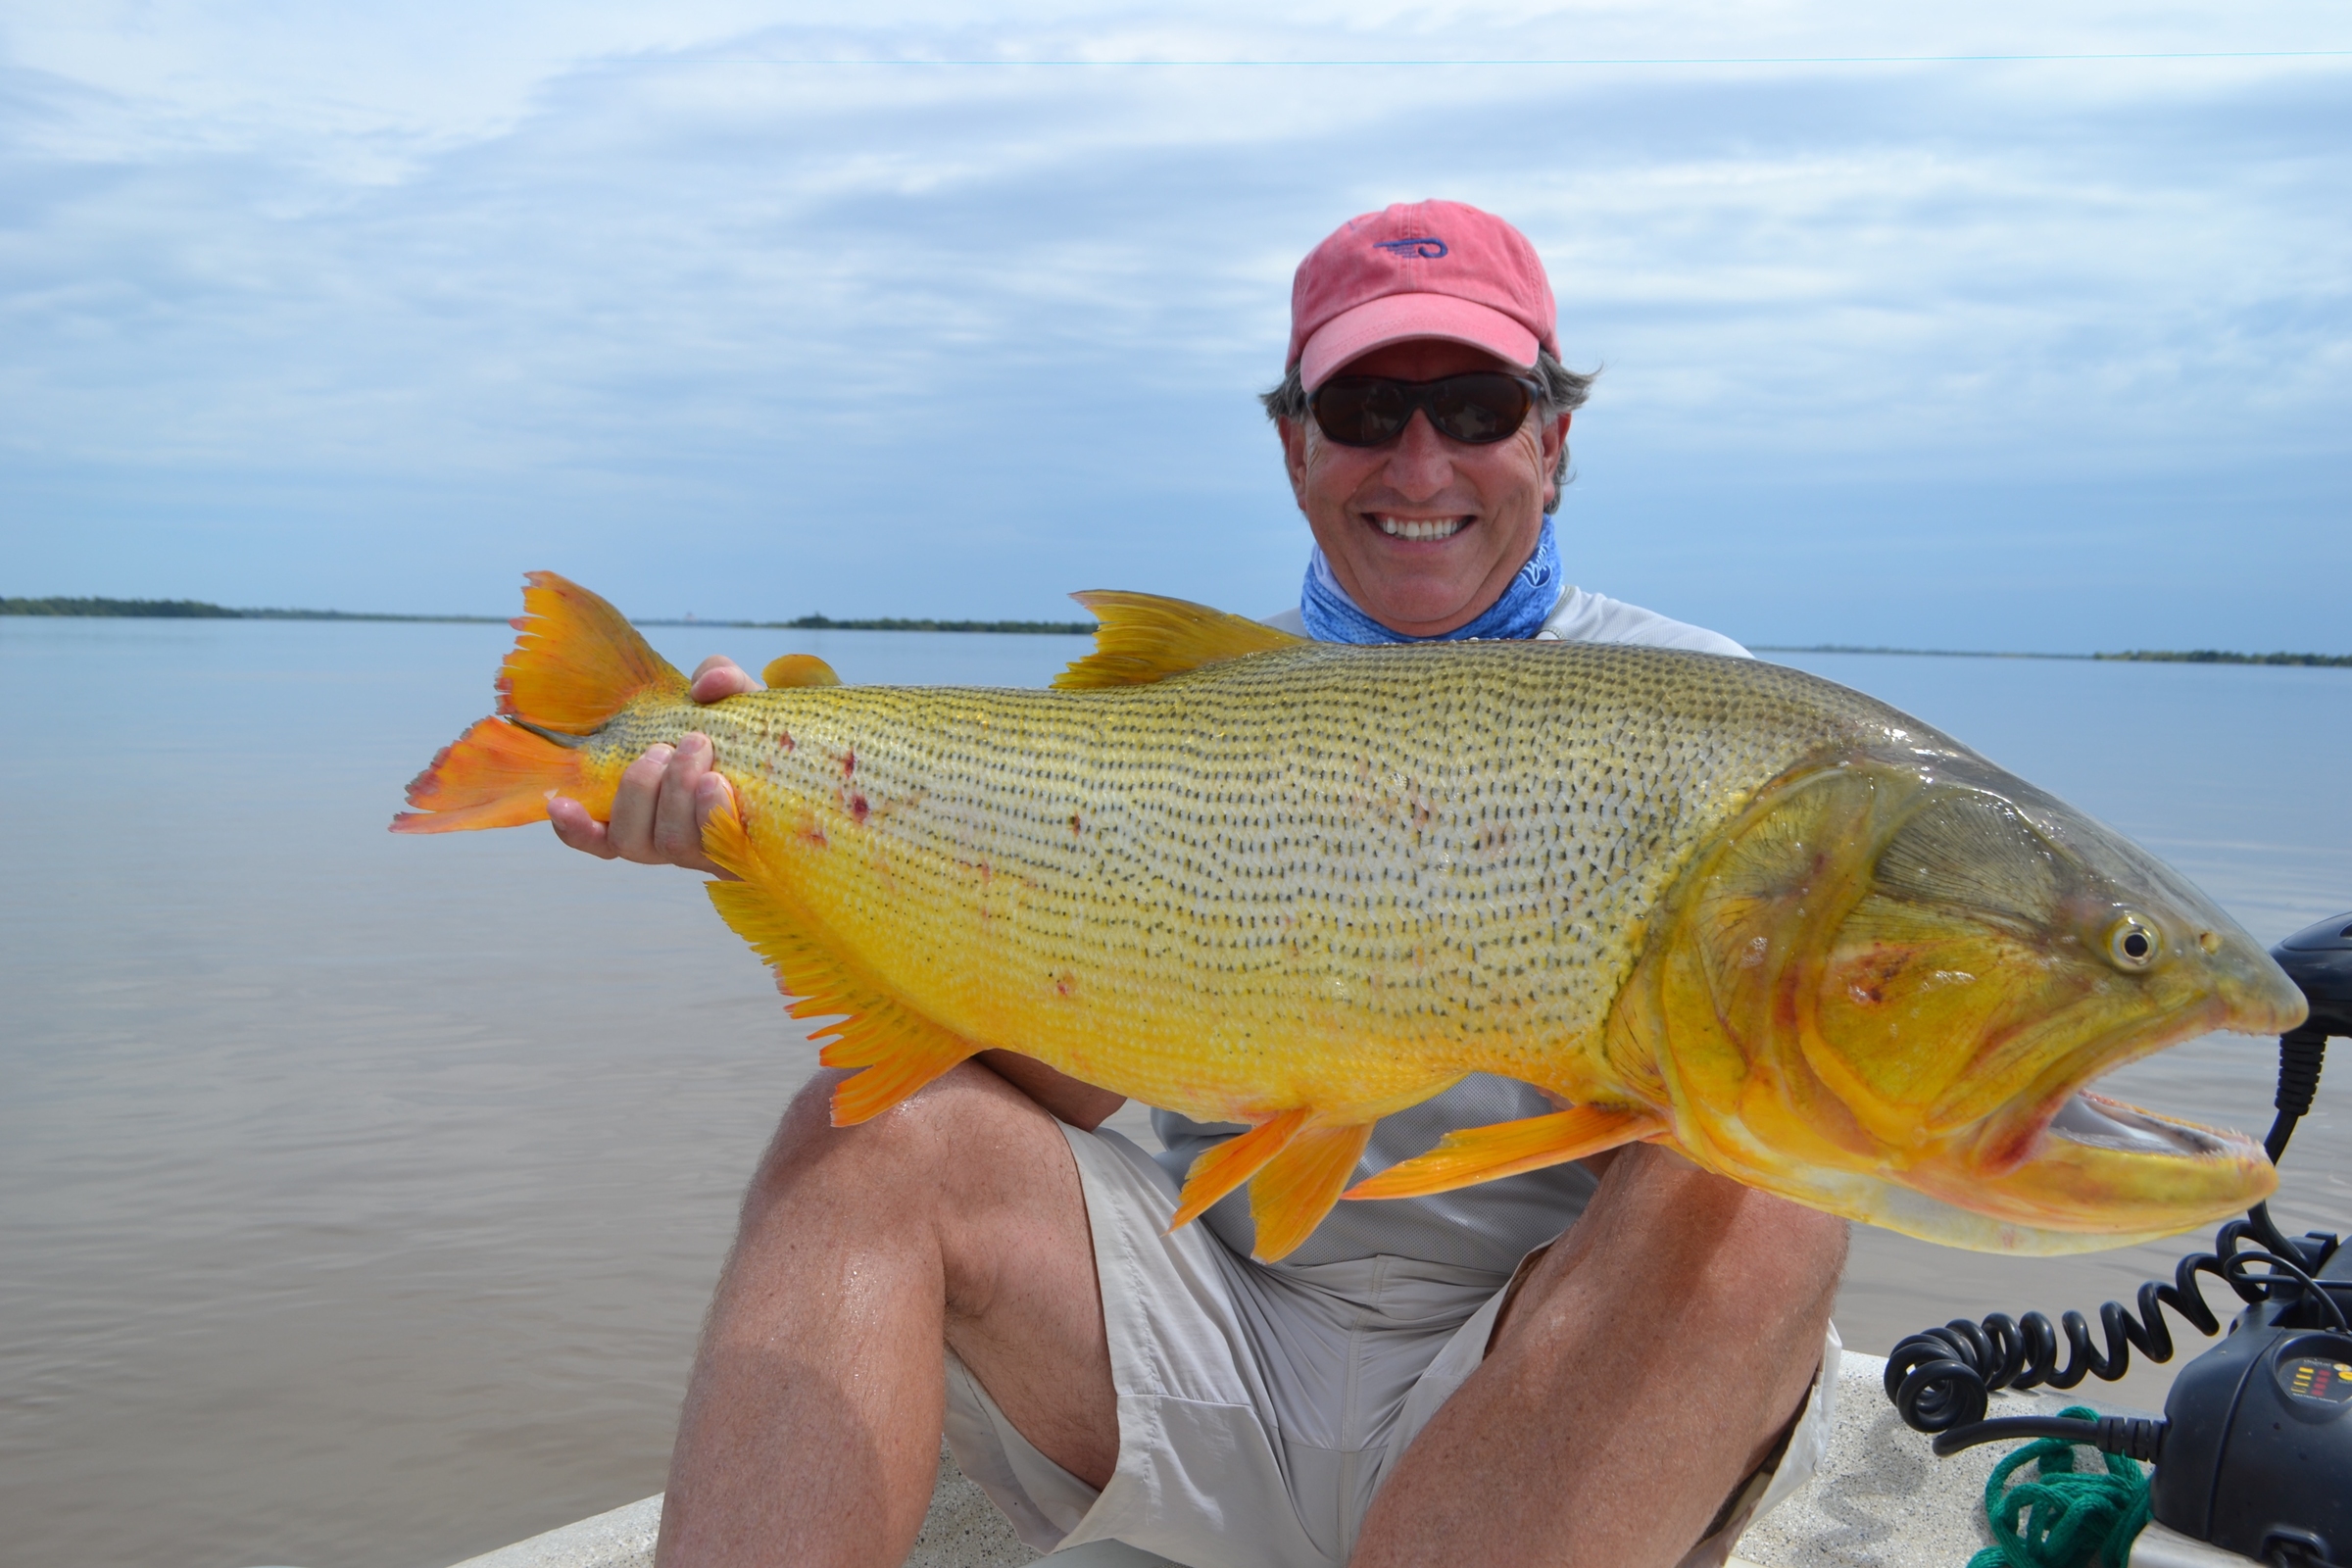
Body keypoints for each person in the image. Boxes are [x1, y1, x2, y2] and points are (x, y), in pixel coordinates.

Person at [550, 201, 1848, 1568]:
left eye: (1476, 407)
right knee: (859, 1134)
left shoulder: (1710, 713)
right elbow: (1073, 1085)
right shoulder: (1190, 703)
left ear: (1553, 437)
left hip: (1549, 1396)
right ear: (1296, 447)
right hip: (1206, 1354)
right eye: (1363, 409)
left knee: (1766, 1187)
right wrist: (785, 837)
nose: (1420, 461)